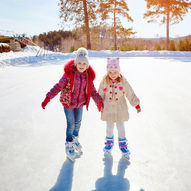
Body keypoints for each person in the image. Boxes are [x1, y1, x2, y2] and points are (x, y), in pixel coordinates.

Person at [41, 47, 103, 161]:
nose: (81, 65)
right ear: (75, 63)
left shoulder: (88, 77)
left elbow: (92, 91)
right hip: (68, 103)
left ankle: (75, 139)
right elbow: (58, 86)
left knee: (78, 123)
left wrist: (98, 102)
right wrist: (47, 98)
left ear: (87, 65)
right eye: (79, 62)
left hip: (79, 104)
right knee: (71, 124)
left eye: (84, 63)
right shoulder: (69, 74)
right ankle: (69, 143)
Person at [98, 57, 141, 159]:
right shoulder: (104, 82)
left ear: (119, 71)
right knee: (109, 127)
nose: (112, 75)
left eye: (115, 72)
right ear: (107, 72)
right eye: (110, 72)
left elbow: (130, 93)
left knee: (121, 127)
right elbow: (100, 94)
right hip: (108, 109)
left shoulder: (123, 82)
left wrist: (136, 105)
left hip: (120, 109)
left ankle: (123, 144)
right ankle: (109, 142)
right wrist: (99, 103)